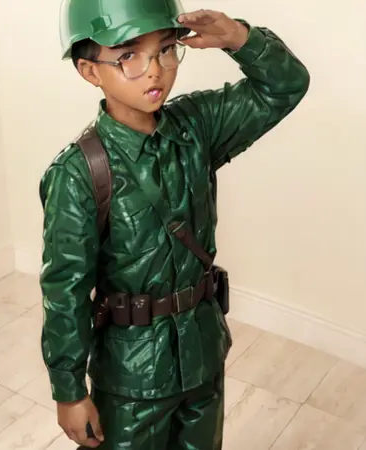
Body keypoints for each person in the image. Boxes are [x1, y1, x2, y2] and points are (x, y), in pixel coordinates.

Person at [39, 0, 310, 448]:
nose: (155, 71)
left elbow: (285, 87)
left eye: (165, 49)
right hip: (131, 378)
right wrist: (68, 391)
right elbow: (65, 289)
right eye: (128, 55)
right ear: (89, 71)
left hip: (203, 354)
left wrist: (241, 39)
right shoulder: (78, 173)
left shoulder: (195, 127)